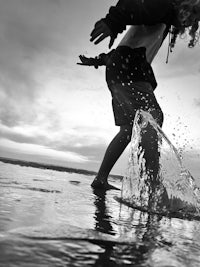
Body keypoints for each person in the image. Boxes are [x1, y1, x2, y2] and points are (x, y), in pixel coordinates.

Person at [79, 0, 200, 191]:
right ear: (185, 8)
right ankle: (153, 189)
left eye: (195, 21)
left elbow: (126, 46)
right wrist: (113, 21)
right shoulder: (163, 8)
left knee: (128, 129)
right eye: (192, 15)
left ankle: (101, 179)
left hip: (120, 68)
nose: (190, 22)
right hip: (129, 69)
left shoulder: (164, 20)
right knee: (152, 116)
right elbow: (135, 4)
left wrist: (99, 60)